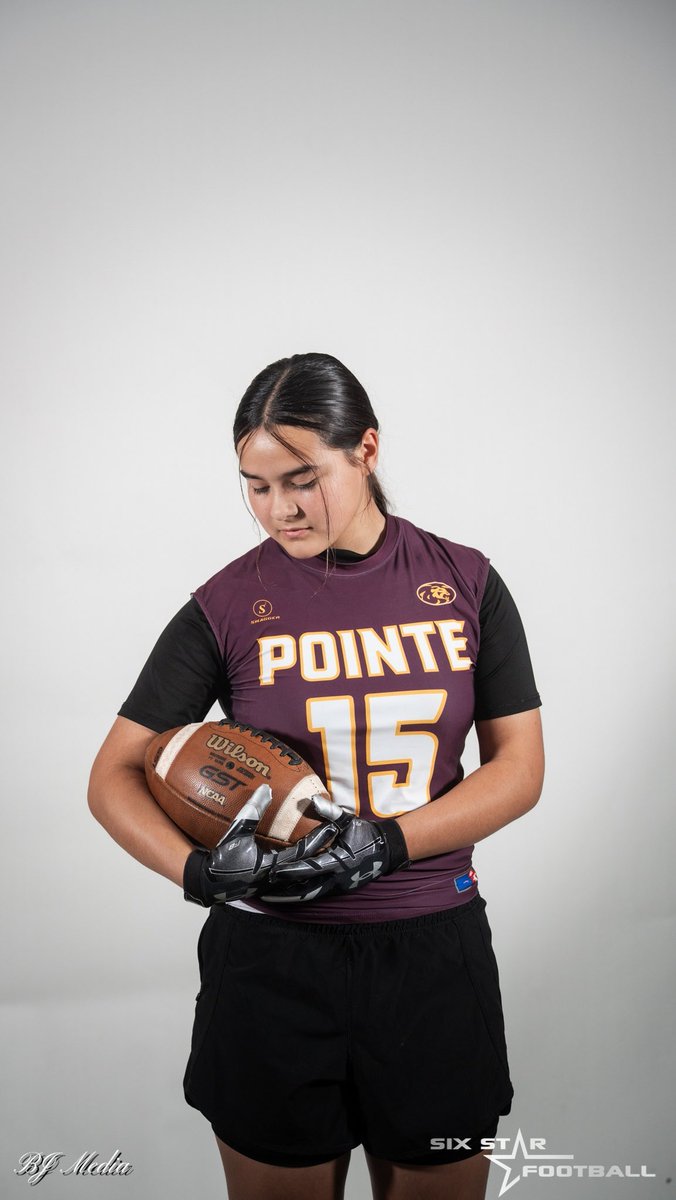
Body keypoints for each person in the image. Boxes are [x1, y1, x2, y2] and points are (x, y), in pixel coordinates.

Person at [88, 351, 544, 1200]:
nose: (280, 509)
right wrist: (195, 870)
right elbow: (112, 775)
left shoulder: (464, 580)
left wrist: (388, 843)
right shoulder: (226, 602)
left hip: (432, 955)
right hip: (271, 959)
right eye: (256, 486)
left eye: (303, 478)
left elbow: (518, 771)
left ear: (366, 449)